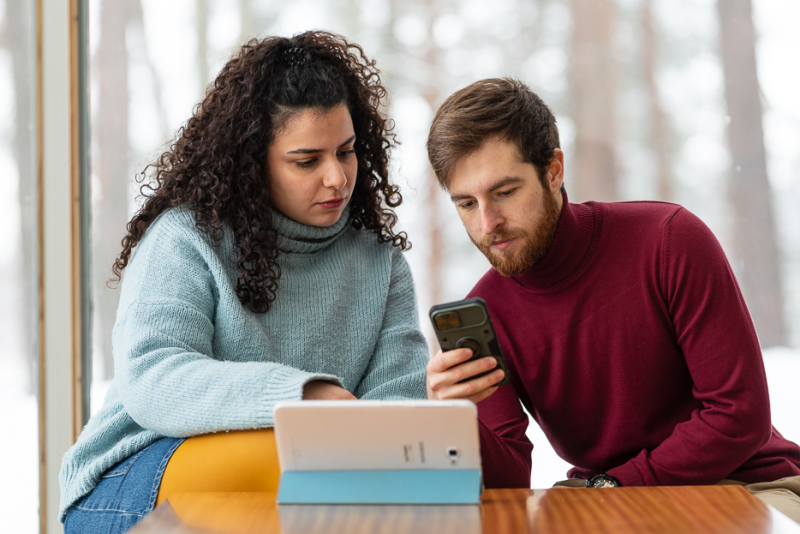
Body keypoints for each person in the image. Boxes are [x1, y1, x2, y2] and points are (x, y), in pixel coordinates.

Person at [60, 31, 428, 533]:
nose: (338, 178)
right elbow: (151, 377)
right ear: (253, 160)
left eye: (346, 151)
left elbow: (396, 410)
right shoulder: (186, 238)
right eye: (307, 161)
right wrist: (303, 396)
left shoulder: (379, 262)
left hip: (303, 490)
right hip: (134, 480)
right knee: (281, 463)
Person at [424, 77, 800, 521]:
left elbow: (739, 416)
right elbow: (509, 487)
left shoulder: (669, 239)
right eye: (466, 204)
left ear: (554, 170)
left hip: (747, 483)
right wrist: (456, 421)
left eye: (505, 192)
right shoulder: (485, 314)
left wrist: (616, 485)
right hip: (606, 502)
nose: (488, 224)